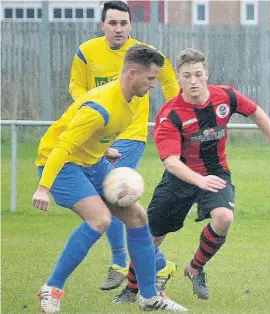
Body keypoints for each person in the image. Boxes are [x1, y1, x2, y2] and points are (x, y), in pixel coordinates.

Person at [113, 48, 270, 302]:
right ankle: (132, 288)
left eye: (198, 74)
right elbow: (170, 162)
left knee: (224, 217)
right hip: (179, 179)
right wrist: (198, 180)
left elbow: (256, 111)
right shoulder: (170, 114)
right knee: (153, 236)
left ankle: (194, 269)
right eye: (187, 75)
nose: (193, 81)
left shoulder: (224, 97)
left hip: (216, 172)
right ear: (178, 79)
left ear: (206, 74)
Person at [32, 45, 187, 313]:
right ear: (131, 73)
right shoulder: (99, 107)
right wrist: (43, 188)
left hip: (91, 162)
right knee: (100, 219)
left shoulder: (129, 103)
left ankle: (149, 298)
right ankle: (51, 289)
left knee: (138, 218)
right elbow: (63, 145)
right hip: (60, 165)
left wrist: (104, 150)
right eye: (151, 79)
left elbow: (91, 136)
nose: (154, 85)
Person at [69, 0, 179, 291]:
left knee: (112, 196)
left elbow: (170, 84)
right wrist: (88, 108)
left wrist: (172, 117)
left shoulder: (145, 55)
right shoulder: (86, 51)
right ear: (101, 25)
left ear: (131, 26)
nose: (118, 28)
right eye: (112, 23)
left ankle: (120, 262)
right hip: (98, 134)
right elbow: (76, 87)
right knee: (111, 200)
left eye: (123, 23)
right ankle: (160, 265)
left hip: (130, 134)